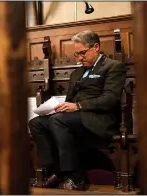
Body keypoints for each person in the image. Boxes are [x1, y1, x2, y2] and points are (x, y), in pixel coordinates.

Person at [29, 30, 126, 190]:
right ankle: (56, 171)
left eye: (83, 53)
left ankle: (76, 177)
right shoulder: (77, 73)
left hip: (100, 120)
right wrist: (59, 108)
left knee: (58, 120)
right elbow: (70, 100)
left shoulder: (113, 67)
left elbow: (110, 98)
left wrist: (78, 106)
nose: (80, 58)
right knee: (36, 123)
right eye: (76, 54)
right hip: (75, 118)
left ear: (96, 47)